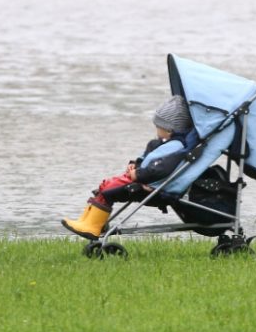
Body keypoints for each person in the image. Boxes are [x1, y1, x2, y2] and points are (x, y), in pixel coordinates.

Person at [61, 95, 195, 240]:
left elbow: (160, 169)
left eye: (159, 127)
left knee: (108, 192)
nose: (157, 131)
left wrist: (138, 175)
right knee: (106, 186)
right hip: (145, 182)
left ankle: (92, 227)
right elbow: (149, 158)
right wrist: (135, 164)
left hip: (153, 189)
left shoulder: (175, 148)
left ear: (169, 130)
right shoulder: (163, 144)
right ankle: (86, 222)